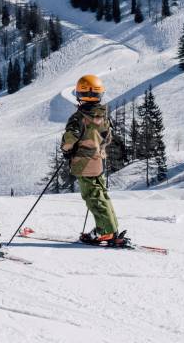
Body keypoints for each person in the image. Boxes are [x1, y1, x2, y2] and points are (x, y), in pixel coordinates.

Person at [61, 74, 128, 246]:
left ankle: (105, 232)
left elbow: (69, 140)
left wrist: (67, 151)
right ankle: (110, 228)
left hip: (84, 163)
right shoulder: (103, 116)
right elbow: (108, 138)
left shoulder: (78, 118)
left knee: (93, 196)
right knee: (101, 194)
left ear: (79, 95)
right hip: (99, 160)